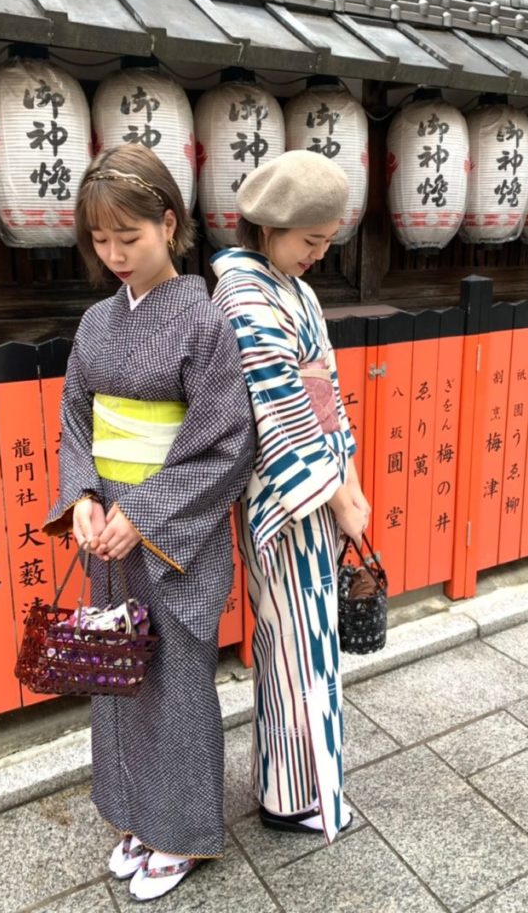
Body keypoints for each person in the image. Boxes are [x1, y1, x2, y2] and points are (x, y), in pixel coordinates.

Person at [44, 143, 255, 902]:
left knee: (173, 681)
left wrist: (145, 511)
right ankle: (134, 815)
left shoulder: (203, 323)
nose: (114, 255)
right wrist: (85, 500)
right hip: (111, 533)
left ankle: (182, 835)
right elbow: (76, 418)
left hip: (176, 542)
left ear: (169, 223)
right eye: (100, 242)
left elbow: (227, 444)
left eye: (128, 238)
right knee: (117, 676)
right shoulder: (98, 321)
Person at [211, 150, 371, 843]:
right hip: (288, 495)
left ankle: (296, 783)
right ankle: (292, 794)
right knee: (291, 641)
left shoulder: (293, 290)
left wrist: (352, 483)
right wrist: (338, 498)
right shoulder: (242, 293)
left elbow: (328, 392)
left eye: (327, 241)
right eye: (309, 241)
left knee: (307, 641)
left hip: (320, 480)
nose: (317, 255)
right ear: (271, 227)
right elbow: (277, 408)